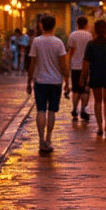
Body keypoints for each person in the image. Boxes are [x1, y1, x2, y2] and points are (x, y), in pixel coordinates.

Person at [27, 15, 70, 154]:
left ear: (41, 26)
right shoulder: (58, 43)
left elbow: (32, 63)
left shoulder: (36, 42)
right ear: (54, 26)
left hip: (40, 81)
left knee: (40, 110)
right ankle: (49, 139)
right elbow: (63, 64)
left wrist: (29, 81)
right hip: (55, 81)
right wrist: (67, 80)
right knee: (52, 111)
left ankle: (40, 141)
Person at [80, 19, 106, 137]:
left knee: (98, 101)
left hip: (95, 74)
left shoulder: (91, 44)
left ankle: (99, 127)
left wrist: (83, 77)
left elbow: (86, 62)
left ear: (95, 30)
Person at [66, 16, 94, 122]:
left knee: (76, 89)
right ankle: (83, 109)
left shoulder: (73, 35)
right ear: (86, 24)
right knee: (85, 89)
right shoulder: (89, 36)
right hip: (87, 66)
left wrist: (69, 63)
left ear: (77, 24)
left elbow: (71, 51)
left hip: (75, 66)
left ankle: (74, 109)